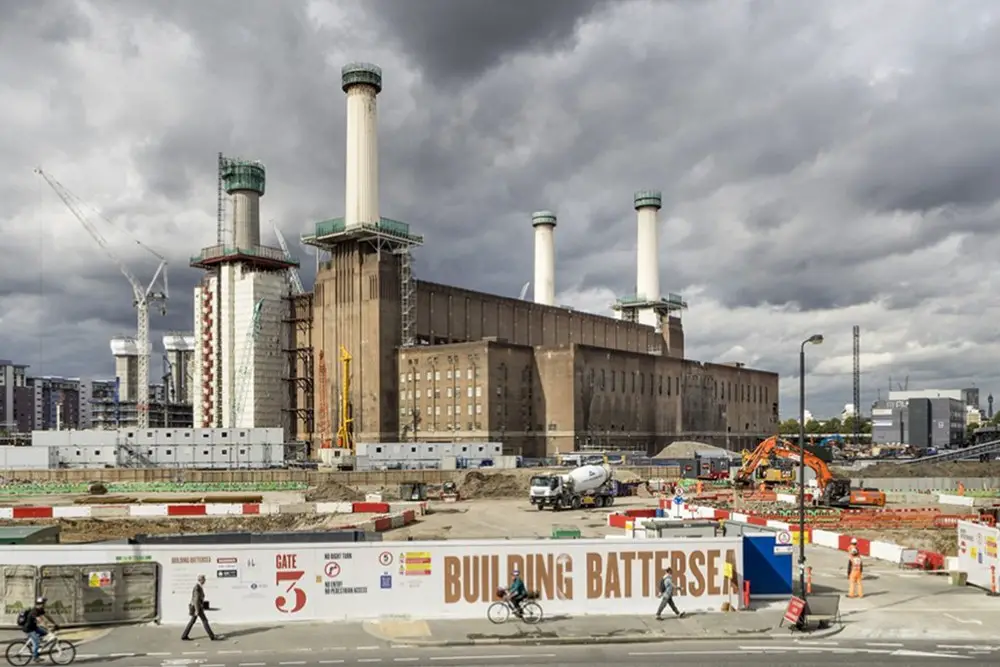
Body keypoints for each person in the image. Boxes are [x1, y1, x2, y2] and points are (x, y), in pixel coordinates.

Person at [181, 575, 220, 641]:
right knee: (205, 621)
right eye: (204, 579)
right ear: (200, 580)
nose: (205, 581)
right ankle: (212, 636)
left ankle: (184, 635)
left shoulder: (199, 587)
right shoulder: (197, 587)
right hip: (197, 607)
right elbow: (196, 599)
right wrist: (197, 609)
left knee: (192, 621)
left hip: (197, 607)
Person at [21, 597, 54, 662]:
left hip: (34, 628)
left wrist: (54, 623)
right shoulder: (34, 611)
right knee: (37, 642)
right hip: (29, 629)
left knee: (45, 633)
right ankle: (35, 657)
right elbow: (41, 621)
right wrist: (48, 628)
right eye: (43, 603)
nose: (44, 605)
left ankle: (34, 643)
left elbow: (47, 616)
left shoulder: (40, 609)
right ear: (40, 604)